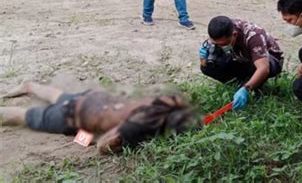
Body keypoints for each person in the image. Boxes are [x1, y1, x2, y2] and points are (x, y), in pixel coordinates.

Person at [0, 81, 199, 155]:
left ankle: (30, 86)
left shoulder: (166, 101)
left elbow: (183, 99)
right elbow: (103, 145)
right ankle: (28, 91)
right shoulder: (137, 126)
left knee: (59, 96)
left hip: (93, 97)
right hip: (73, 115)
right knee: (22, 116)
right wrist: (85, 137)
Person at [199, 16, 284, 110]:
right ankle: (239, 84)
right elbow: (205, 64)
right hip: (241, 58)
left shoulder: (254, 36)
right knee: (209, 66)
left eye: (223, 44)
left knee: (262, 67)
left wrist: (246, 89)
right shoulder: (219, 32)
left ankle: (250, 87)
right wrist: (203, 57)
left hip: (268, 60)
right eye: (216, 43)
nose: (219, 46)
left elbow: (264, 68)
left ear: (234, 35)